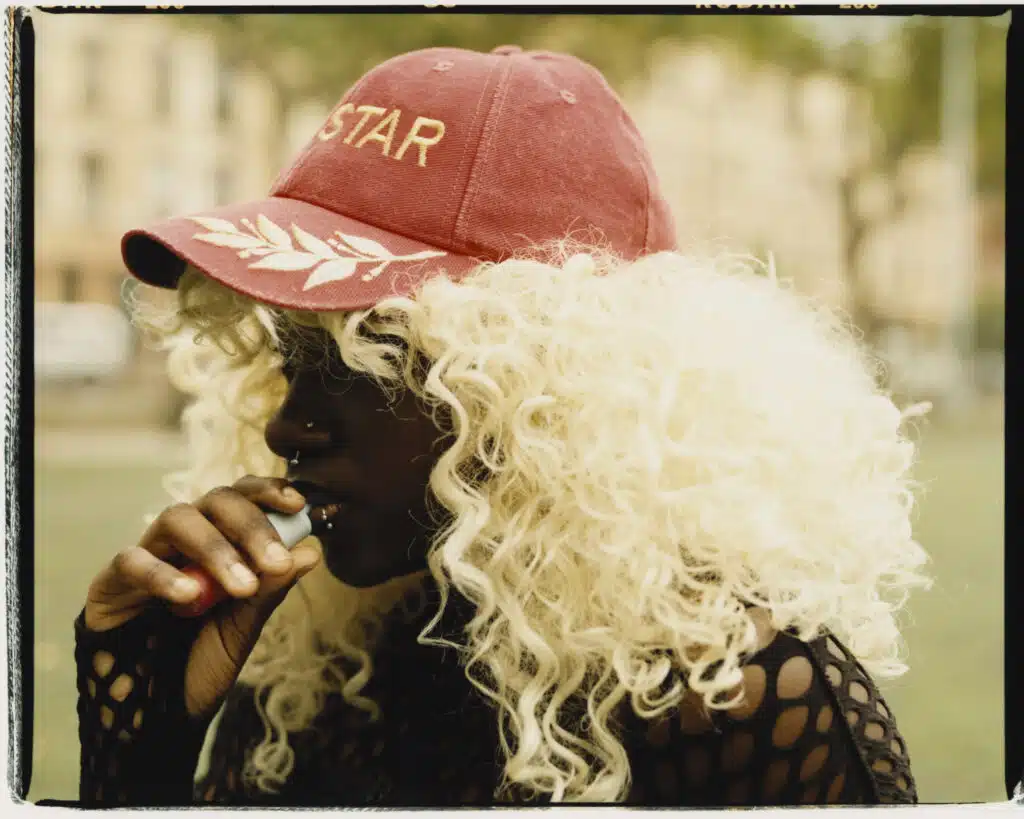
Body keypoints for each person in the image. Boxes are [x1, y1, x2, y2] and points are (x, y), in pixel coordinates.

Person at [75, 44, 930, 807]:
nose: (288, 428)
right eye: (296, 361)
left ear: (549, 389)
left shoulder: (739, 696)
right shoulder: (311, 667)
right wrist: (142, 745)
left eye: (367, 364)